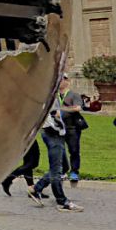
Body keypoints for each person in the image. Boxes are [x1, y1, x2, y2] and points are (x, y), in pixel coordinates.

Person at [29, 75, 82, 212]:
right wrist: (60, 121)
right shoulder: (49, 95)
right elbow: (55, 116)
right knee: (56, 169)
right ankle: (62, 201)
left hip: (54, 133)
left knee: (64, 167)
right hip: (53, 134)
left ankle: (37, 188)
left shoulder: (48, 94)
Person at [60, 78, 86, 184]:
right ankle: (63, 169)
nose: (60, 81)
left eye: (63, 79)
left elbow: (78, 108)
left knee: (74, 150)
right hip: (58, 127)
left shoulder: (74, 95)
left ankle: (74, 171)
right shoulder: (55, 95)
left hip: (72, 127)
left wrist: (63, 109)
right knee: (59, 149)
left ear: (67, 81)